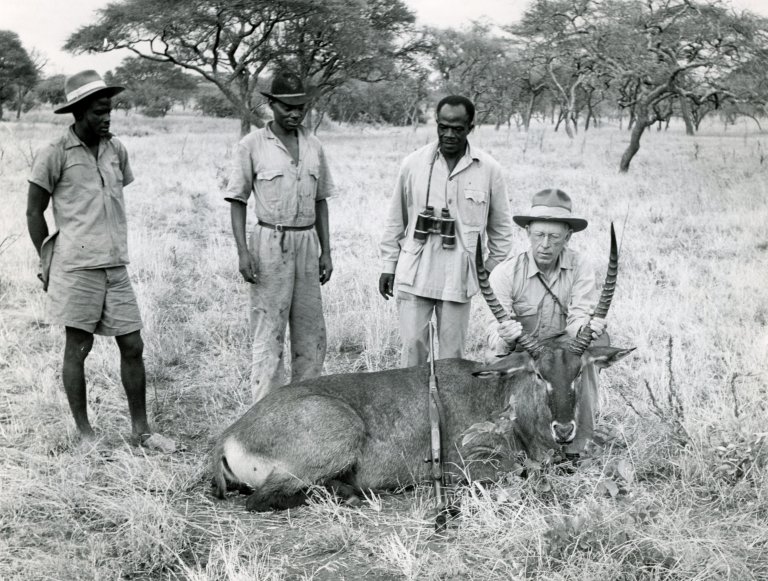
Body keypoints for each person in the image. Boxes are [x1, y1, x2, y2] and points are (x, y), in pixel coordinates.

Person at [25, 70, 176, 452]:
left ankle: (141, 431)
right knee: (78, 348)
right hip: (75, 268)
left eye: (109, 110)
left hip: (115, 265)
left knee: (133, 345)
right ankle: (85, 434)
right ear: (77, 112)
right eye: (97, 112)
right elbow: (33, 212)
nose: (106, 118)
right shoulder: (54, 154)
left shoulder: (116, 150)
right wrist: (48, 260)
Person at [225, 71, 335, 403]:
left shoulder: (314, 145)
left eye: (300, 106)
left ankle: (306, 407)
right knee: (269, 331)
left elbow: (321, 201)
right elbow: (237, 201)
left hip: (306, 243)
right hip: (269, 242)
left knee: (311, 333)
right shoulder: (252, 145)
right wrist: (243, 252)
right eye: (286, 106)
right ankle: (264, 412)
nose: (294, 113)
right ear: (270, 104)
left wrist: (326, 252)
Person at [379, 95, 513, 367]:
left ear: (471, 127)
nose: (449, 134)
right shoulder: (413, 164)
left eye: (458, 128)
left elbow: (502, 230)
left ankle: (444, 410)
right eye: (443, 127)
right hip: (415, 270)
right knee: (412, 352)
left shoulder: (489, 169)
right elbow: (396, 219)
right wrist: (388, 265)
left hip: (459, 279)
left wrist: (487, 268)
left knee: (452, 359)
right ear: (436, 124)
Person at [486, 188, 607, 456]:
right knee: (492, 382)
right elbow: (494, 341)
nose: (545, 244)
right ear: (527, 231)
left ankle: (578, 445)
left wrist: (587, 330)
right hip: (523, 352)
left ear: (568, 236)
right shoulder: (504, 274)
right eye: (539, 235)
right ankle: (508, 442)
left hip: (562, 352)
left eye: (554, 237)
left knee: (589, 351)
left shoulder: (580, 266)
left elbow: (577, 320)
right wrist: (506, 336)